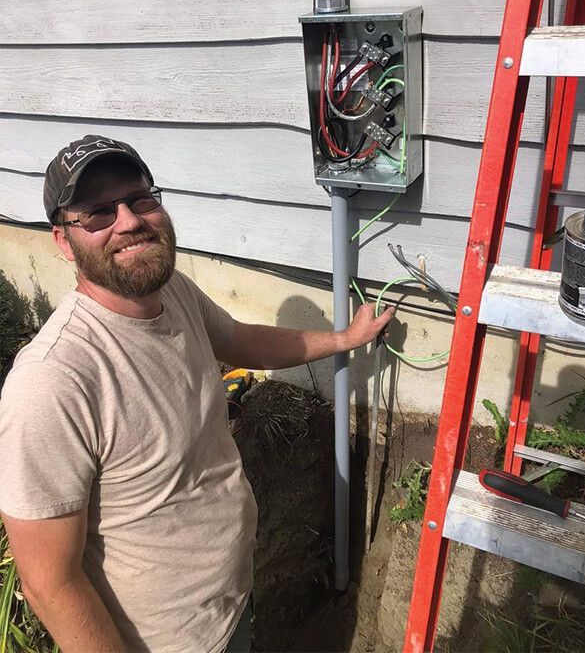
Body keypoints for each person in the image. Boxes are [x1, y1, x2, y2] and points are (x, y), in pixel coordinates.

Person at [0, 135, 394, 653]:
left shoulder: (172, 293)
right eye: (97, 213)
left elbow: (239, 340)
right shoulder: (55, 380)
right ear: (61, 240)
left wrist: (345, 339)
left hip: (231, 601)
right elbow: (50, 584)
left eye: (140, 199)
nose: (129, 220)